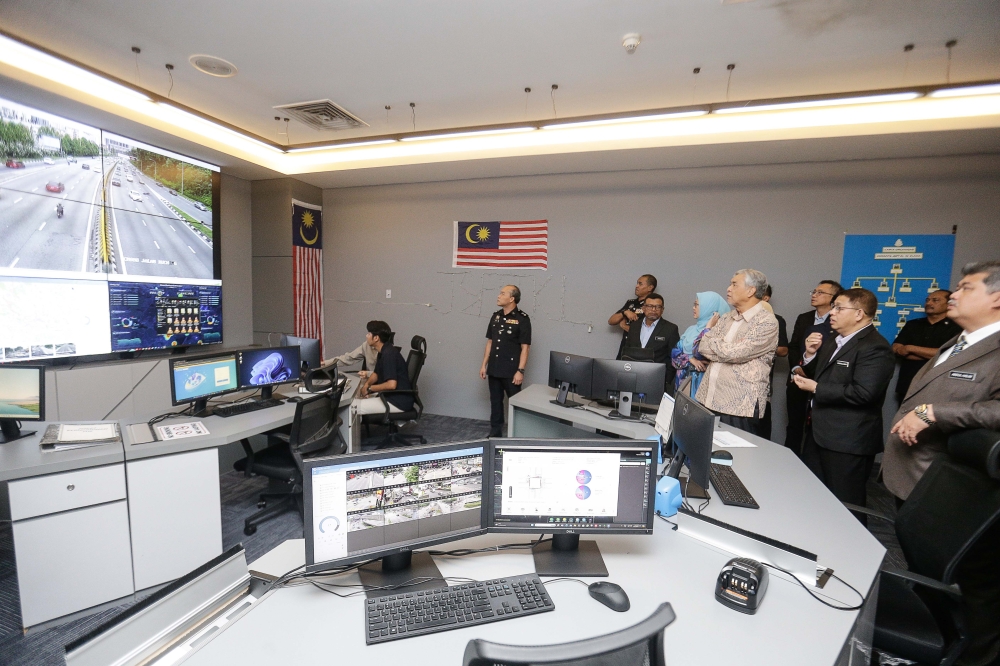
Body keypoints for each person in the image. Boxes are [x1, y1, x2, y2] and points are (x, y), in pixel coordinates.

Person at [883, 261, 1000, 666]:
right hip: (914, 475)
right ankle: (937, 644)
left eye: (967, 287)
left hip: (953, 487)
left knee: (972, 589)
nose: (954, 293)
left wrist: (937, 413)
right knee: (928, 577)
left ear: (996, 298)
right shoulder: (960, 339)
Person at [791, 288, 894, 520]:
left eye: (839, 308)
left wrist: (817, 388)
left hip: (848, 441)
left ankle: (852, 554)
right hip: (819, 433)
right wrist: (808, 355)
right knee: (813, 497)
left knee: (846, 506)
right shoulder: (833, 341)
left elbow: (865, 393)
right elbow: (816, 374)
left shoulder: (875, 347)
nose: (832, 313)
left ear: (859, 314)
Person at [695, 269, 779, 435]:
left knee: (735, 458)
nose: (728, 288)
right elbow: (702, 346)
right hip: (709, 399)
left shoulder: (766, 322)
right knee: (706, 455)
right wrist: (725, 347)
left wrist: (718, 345)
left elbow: (736, 353)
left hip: (739, 406)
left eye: (734, 284)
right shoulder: (726, 317)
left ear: (751, 290)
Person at [785, 280, 841, 454]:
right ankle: (789, 459)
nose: (814, 295)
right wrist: (797, 367)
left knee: (816, 425)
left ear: (834, 299)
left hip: (822, 382)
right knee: (794, 422)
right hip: (798, 376)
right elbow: (794, 346)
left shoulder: (838, 322)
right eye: (814, 291)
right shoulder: (804, 318)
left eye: (820, 292)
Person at [480, 285, 531, 437]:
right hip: (494, 368)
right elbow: (490, 342)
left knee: (516, 404)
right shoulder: (496, 316)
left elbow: (525, 348)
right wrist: (484, 365)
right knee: (495, 403)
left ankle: (521, 434)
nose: (498, 296)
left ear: (512, 298)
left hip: (511, 371)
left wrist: (520, 371)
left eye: (502, 293)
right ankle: (495, 433)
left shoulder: (522, 319)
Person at [891, 289, 959, 401]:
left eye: (935, 300)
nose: (929, 303)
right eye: (927, 300)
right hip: (908, 384)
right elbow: (896, 349)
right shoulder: (913, 324)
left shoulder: (956, 327)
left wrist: (910, 348)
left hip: (937, 386)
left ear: (948, 304)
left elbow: (949, 354)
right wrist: (932, 355)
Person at [671, 291, 730, 397]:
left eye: (697, 305)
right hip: (682, 384)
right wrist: (690, 359)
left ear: (709, 308)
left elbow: (700, 352)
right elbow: (674, 354)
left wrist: (707, 328)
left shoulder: (718, 333)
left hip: (703, 387)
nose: (694, 308)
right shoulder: (691, 330)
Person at [623, 293, 680, 394]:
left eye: (658, 307)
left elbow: (674, 358)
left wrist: (666, 381)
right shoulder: (635, 326)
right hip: (632, 377)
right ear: (643, 308)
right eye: (650, 306)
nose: (653, 310)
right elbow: (627, 350)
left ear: (662, 310)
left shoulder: (670, 329)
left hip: (656, 380)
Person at [354, 321, 414, 416]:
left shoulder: (388, 354)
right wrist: (366, 385)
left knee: (352, 407)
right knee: (356, 400)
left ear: (376, 338)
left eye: (369, 334)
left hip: (397, 402)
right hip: (390, 397)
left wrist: (369, 389)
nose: (366, 336)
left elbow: (391, 385)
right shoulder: (383, 351)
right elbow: (376, 373)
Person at [759, 285, 789, 441]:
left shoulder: (777, 320)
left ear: (766, 298)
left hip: (761, 381)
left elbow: (783, 350)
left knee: (760, 427)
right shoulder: (736, 319)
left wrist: (759, 346)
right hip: (734, 385)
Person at [609, 274, 657, 359]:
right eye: (637, 283)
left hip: (640, 348)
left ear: (650, 288)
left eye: (640, 284)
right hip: (625, 346)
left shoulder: (652, 306)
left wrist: (624, 325)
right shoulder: (630, 303)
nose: (636, 286)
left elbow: (644, 332)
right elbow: (611, 321)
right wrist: (625, 312)